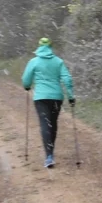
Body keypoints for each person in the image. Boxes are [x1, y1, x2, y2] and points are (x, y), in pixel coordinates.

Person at [22, 38, 75, 168]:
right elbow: (67, 79)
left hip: (40, 97)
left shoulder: (34, 62)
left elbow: (26, 80)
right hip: (56, 96)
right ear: (51, 47)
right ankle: (50, 151)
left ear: (39, 47)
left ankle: (49, 156)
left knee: (45, 124)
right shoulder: (58, 62)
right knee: (53, 124)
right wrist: (71, 96)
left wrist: (27, 86)